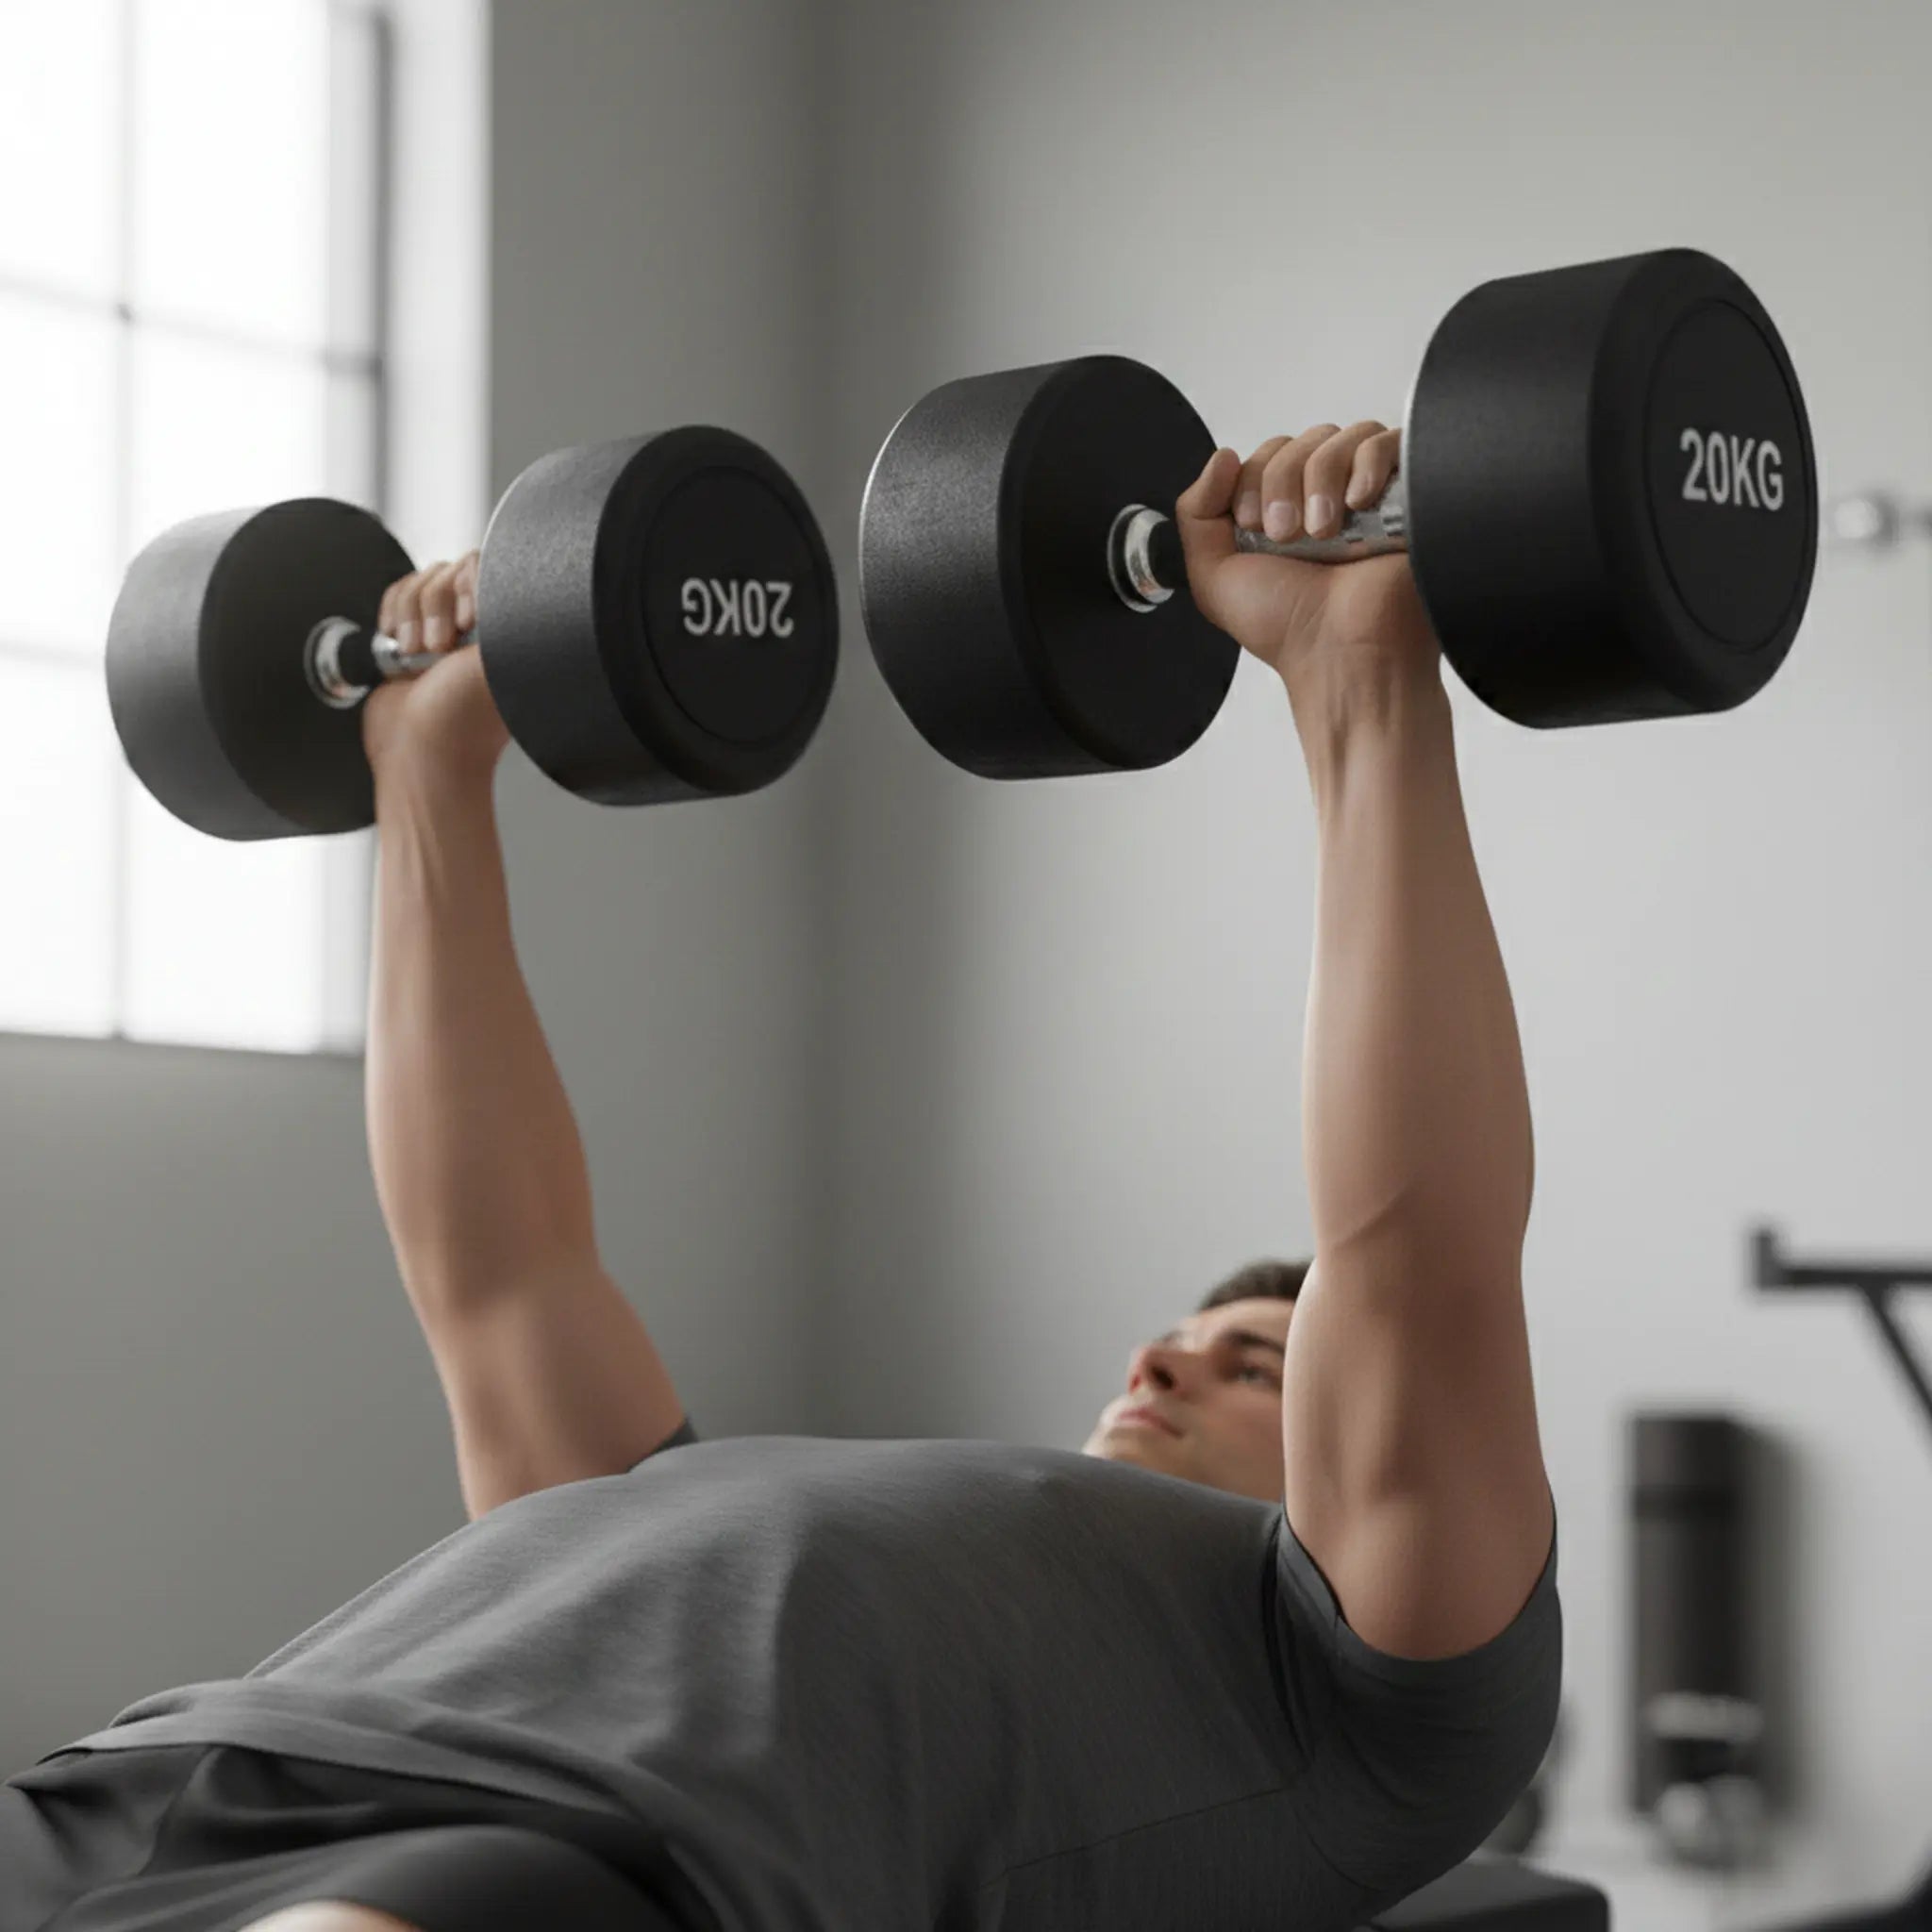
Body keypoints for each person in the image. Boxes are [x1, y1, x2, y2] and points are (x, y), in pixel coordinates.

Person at [1, 421, 1559, 1932]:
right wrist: (427, 772)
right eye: (1198, 1336)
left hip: (555, 1861)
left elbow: (1417, 1255)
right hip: (179, 1769)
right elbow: (499, 1273)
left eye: (1256, 1369)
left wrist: (1361, 674)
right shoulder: (660, 1499)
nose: (1162, 1354)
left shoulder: (1364, 1701)